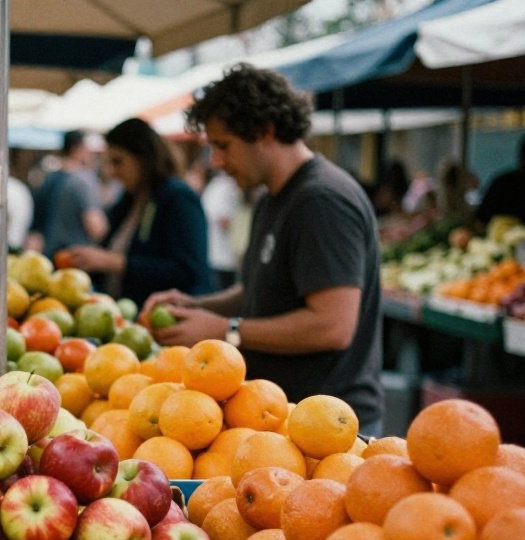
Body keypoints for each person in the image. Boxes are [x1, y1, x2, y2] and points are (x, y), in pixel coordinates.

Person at [143, 63, 384, 436]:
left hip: (327, 427)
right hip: (280, 416)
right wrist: (197, 306)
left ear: (264, 131)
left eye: (223, 146)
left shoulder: (321, 201)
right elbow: (262, 288)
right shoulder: (273, 198)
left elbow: (332, 325)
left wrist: (227, 331)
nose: (216, 162)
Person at [62, 118, 213, 307]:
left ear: (143, 157)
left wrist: (117, 263)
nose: (111, 172)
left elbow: (188, 271)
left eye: (118, 162)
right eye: (109, 163)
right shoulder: (129, 200)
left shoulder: (178, 198)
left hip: (165, 321)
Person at [27, 130, 108, 256]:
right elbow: (96, 227)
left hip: (49, 256)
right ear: (77, 149)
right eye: (88, 149)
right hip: (77, 259)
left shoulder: (48, 179)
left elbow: (35, 230)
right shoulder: (84, 181)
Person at [201, 168, 241, 289]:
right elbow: (224, 220)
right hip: (223, 257)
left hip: (215, 255)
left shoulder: (214, 186)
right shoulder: (226, 186)